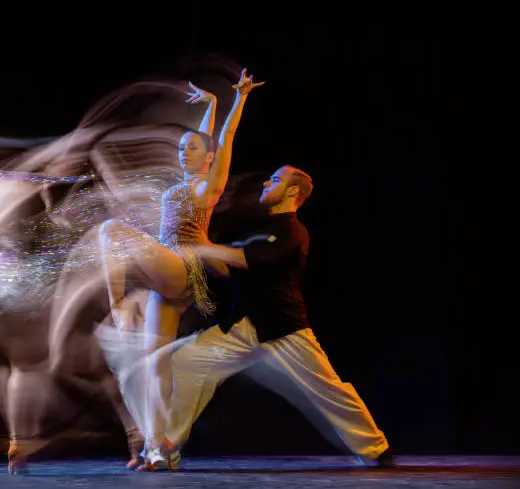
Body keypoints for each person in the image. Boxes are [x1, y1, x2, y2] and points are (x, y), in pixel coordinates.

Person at [163, 165, 394, 469]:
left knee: (328, 389)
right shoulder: (263, 230)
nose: (266, 182)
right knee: (187, 361)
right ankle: (166, 449)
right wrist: (198, 249)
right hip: (244, 327)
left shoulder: (292, 231)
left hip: (284, 328)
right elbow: (229, 266)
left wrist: (206, 247)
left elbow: (247, 260)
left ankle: (376, 448)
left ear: (293, 191)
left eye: (275, 180)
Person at [96, 69, 264, 470]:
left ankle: (118, 303)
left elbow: (219, 142)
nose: (182, 152)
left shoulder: (208, 186)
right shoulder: (184, 180)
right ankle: (159, 450)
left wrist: (236, 100)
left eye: (189, 149)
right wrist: (209, 104)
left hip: (182, 268)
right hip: (165, 278)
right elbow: (204, 141)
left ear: (208, 160)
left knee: (111, 230)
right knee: (154, 364)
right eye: (180, 148)